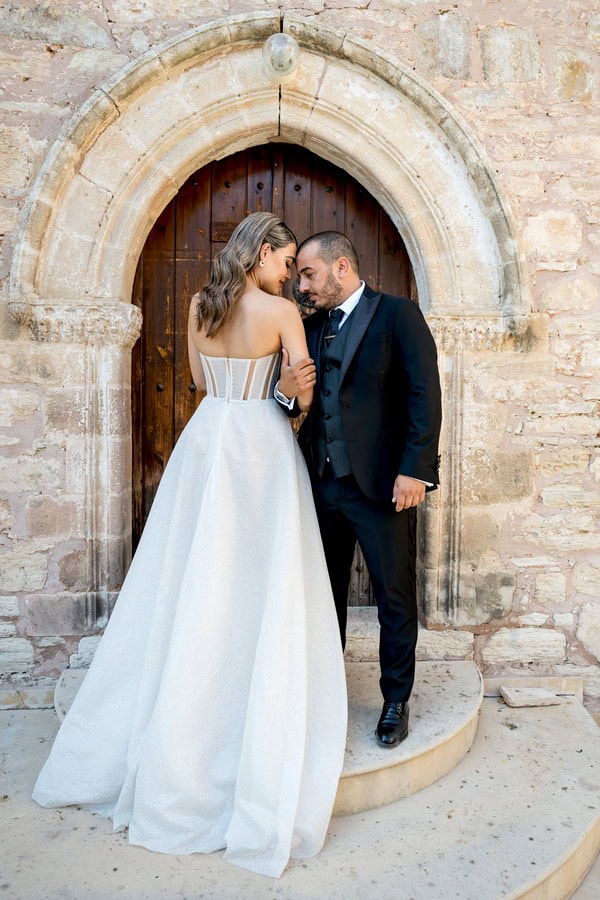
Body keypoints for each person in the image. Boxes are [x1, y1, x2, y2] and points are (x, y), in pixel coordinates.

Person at [32, 213, 348, 879]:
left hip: (208, 439)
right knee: (261, 569)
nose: (290, 273)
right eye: (286, 261)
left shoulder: (200, 305)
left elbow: (202, 386)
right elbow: (300, 390)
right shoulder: (283, 313)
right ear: (263, 253)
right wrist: (293, 399)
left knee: (192, 566)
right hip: (259, 442)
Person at [277, 231, 441, 748]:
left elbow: (424, 395)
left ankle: (396, 699)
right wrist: (286, 398)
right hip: (321, 486)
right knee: (324, 598)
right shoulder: (310, 325)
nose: (300, 285)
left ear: (340, 266)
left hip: (382, 487)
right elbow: (297, 402)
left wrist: (415, 470)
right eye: (299, 275)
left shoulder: (398, 315)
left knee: (393, 595)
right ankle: (327, 695)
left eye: (308, 274)